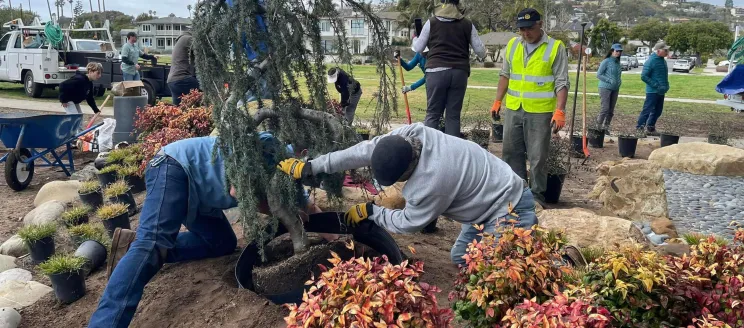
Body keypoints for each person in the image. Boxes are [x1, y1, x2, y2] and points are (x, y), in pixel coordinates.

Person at [88, 134, 324, 327]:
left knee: (222, 243)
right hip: (174, 167)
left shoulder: (290, 174)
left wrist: (339, 234)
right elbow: (237, 191)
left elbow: (309, 207)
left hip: (201, 201)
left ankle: (131, 250)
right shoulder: (269, 146)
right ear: (302, 155)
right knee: (152, 244)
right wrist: (283, 213)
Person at [276, 123, 538, 266]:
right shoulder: (411, 135)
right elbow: (362, 150)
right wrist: (312, 166)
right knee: (460, 258)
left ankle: (560, 260)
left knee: (500, 268)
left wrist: (372, 211)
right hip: (482, 203)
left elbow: (410, 222)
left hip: (508, 207)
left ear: (408, 172)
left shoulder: (433, 181)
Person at [489, 8, 569, 204]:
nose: (526, 33)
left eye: (530, 28)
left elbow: (562, 82)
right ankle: (517, 192)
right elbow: (505, 75)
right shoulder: (513, 45)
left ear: (540, 23)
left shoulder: (555, 47)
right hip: (514, 108)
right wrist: (498, 100)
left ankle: (536, 196)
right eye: (522, 30)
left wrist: (560, 110)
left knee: (538, 156)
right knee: (511, 152)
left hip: (540, 112)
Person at [412, 0, 487, 138]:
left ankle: (428, 150)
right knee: (453, 116)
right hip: (459, 72)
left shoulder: (432, 22)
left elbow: (418, 48)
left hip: (436, 72)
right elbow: (481, 51)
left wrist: (415, 38)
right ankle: (452, 154)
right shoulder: (467, 24)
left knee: (433, 114)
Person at [637, 41, 670, 136]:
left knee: (658, 111)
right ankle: (639, 128)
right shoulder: (651, 61)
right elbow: (644, 76)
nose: (667, 52)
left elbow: (663, 75)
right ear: (658, 51)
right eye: (665, 50)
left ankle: (650, 128)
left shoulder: (662, 60)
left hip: (661, 91)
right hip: (652, 91)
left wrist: (666, 85)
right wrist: (656, 85)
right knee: (647, 110)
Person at [596, 43, 623, 133]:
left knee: (611, 110)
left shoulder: (617, 62)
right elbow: (599, 75)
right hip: (605, 88)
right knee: (605, 108)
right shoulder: (606, 61)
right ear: (612, 51)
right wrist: (609, 80)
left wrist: (619, 81)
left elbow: (617, 75)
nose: (618, 53)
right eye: (617, 51)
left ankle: (605, 128)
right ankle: (598, 127)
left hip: (615, 88)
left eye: (620, 51)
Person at [167, 31, 200, 106]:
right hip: (182, 78)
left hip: (171, 81)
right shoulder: (188, 39)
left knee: (178, 109)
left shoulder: (181, 39)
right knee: (203, 89)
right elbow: (202, 49)